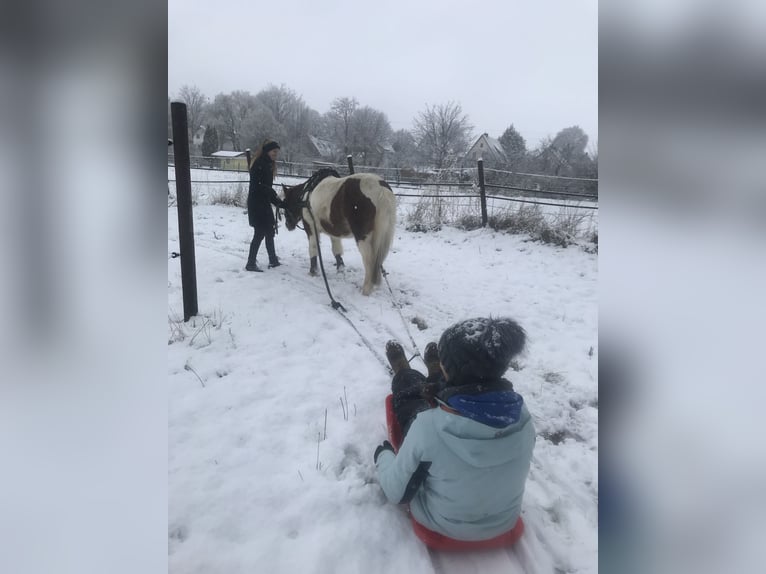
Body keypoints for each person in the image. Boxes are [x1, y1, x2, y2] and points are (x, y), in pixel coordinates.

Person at [374, 317, 536, 541]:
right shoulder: (524, 418)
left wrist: (383, 456)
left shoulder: (427, 427)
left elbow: (396, 492)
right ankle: (435, 374)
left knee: (410, 396)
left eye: (444, 362)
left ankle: (404, 371)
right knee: (443, 388)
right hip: (503, 522)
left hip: (443, 524)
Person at [245, 140, 284, 272]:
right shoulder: (259, 164)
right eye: (274, 152)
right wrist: (273, 195)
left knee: (269, 231)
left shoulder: (267, 164)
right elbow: (258, 186)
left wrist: (277, 201)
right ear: (267, 151)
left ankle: (273, 260)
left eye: (276, 152)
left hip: (263, 203)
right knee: (260, 233)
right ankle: (250, 263)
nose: (275, 154)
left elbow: (266, 188)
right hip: (256, 204)